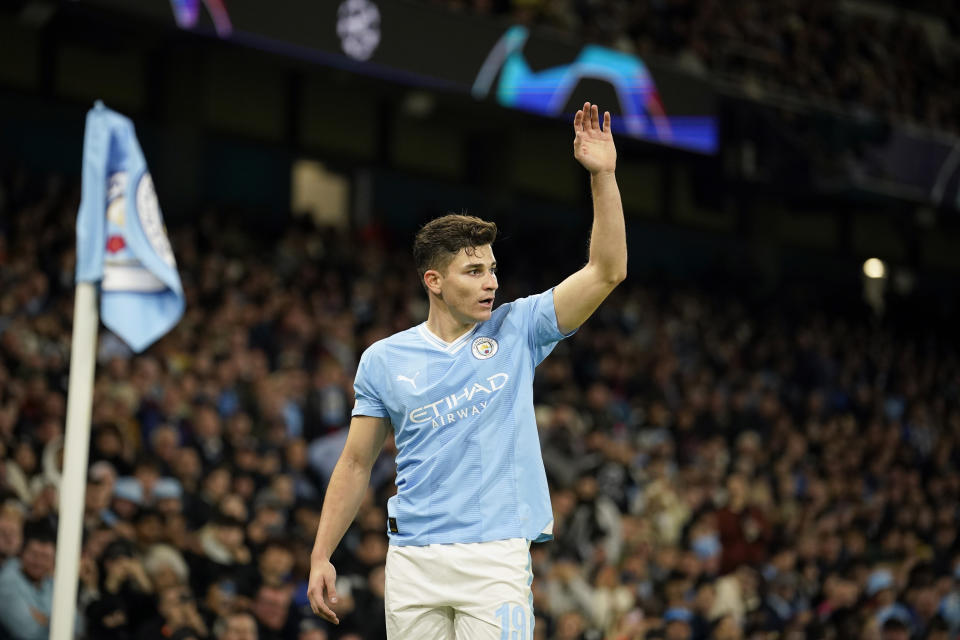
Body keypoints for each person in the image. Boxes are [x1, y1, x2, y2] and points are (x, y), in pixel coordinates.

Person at [307, 101, 626, 639]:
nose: (491, 283)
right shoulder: (384, 359)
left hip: (494, 557)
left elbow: (607, 270)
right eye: (474, 270)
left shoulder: (519, 328)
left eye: (493, 269)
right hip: (412, 560)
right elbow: (355, 465)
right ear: (433, 280)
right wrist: (321, 555)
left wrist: (604, 177)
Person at [0, 521, 56, 640]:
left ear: (53, 562)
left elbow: (78, 625)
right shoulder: (6, 582)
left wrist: (45, 620)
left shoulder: (51, 583)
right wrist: (55, 621)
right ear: (22, 554)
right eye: (34, 554)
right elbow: (29, 631)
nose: (38, 562)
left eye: (45, 557)